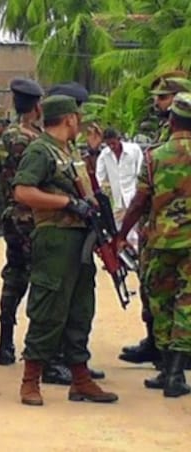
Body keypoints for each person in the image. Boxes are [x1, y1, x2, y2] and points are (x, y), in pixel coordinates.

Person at [13, 95, 118, 406]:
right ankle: (30, 380)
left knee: (80, 309)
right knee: (48, 307)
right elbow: (22, 191)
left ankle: (81, 380)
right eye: (77, 116)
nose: (80, 121)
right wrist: (67, 203)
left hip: (80, 240)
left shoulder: (68, 151)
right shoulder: (40, 150)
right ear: (69, 118)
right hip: (55, 238)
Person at [116, 93, 191, 397]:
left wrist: (122, 233)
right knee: (187, 304)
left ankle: (166, 370)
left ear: (171, 120)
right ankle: (175, 374)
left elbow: (139, 201)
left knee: (160, 302)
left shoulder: (154, 156)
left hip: (161, 240)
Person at [0, 78, 43, 366]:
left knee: (13, 277)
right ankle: (36, 347)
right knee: (39, 279)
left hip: (10, 217)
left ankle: (5, 343)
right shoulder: (30, 139)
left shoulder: (4, 136)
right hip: (31, 218)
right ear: (37, 106)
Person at [95, 127, 142, 248]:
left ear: (119, 139)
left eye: (113, 143)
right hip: (116, 199)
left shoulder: (134, 150)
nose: (112, 146)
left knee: (136, 228)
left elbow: (141, 172)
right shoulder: (104, 155)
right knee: (118, 229)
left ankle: (137, 255)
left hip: (133, 195)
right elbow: (100, 177)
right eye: (108, 144)